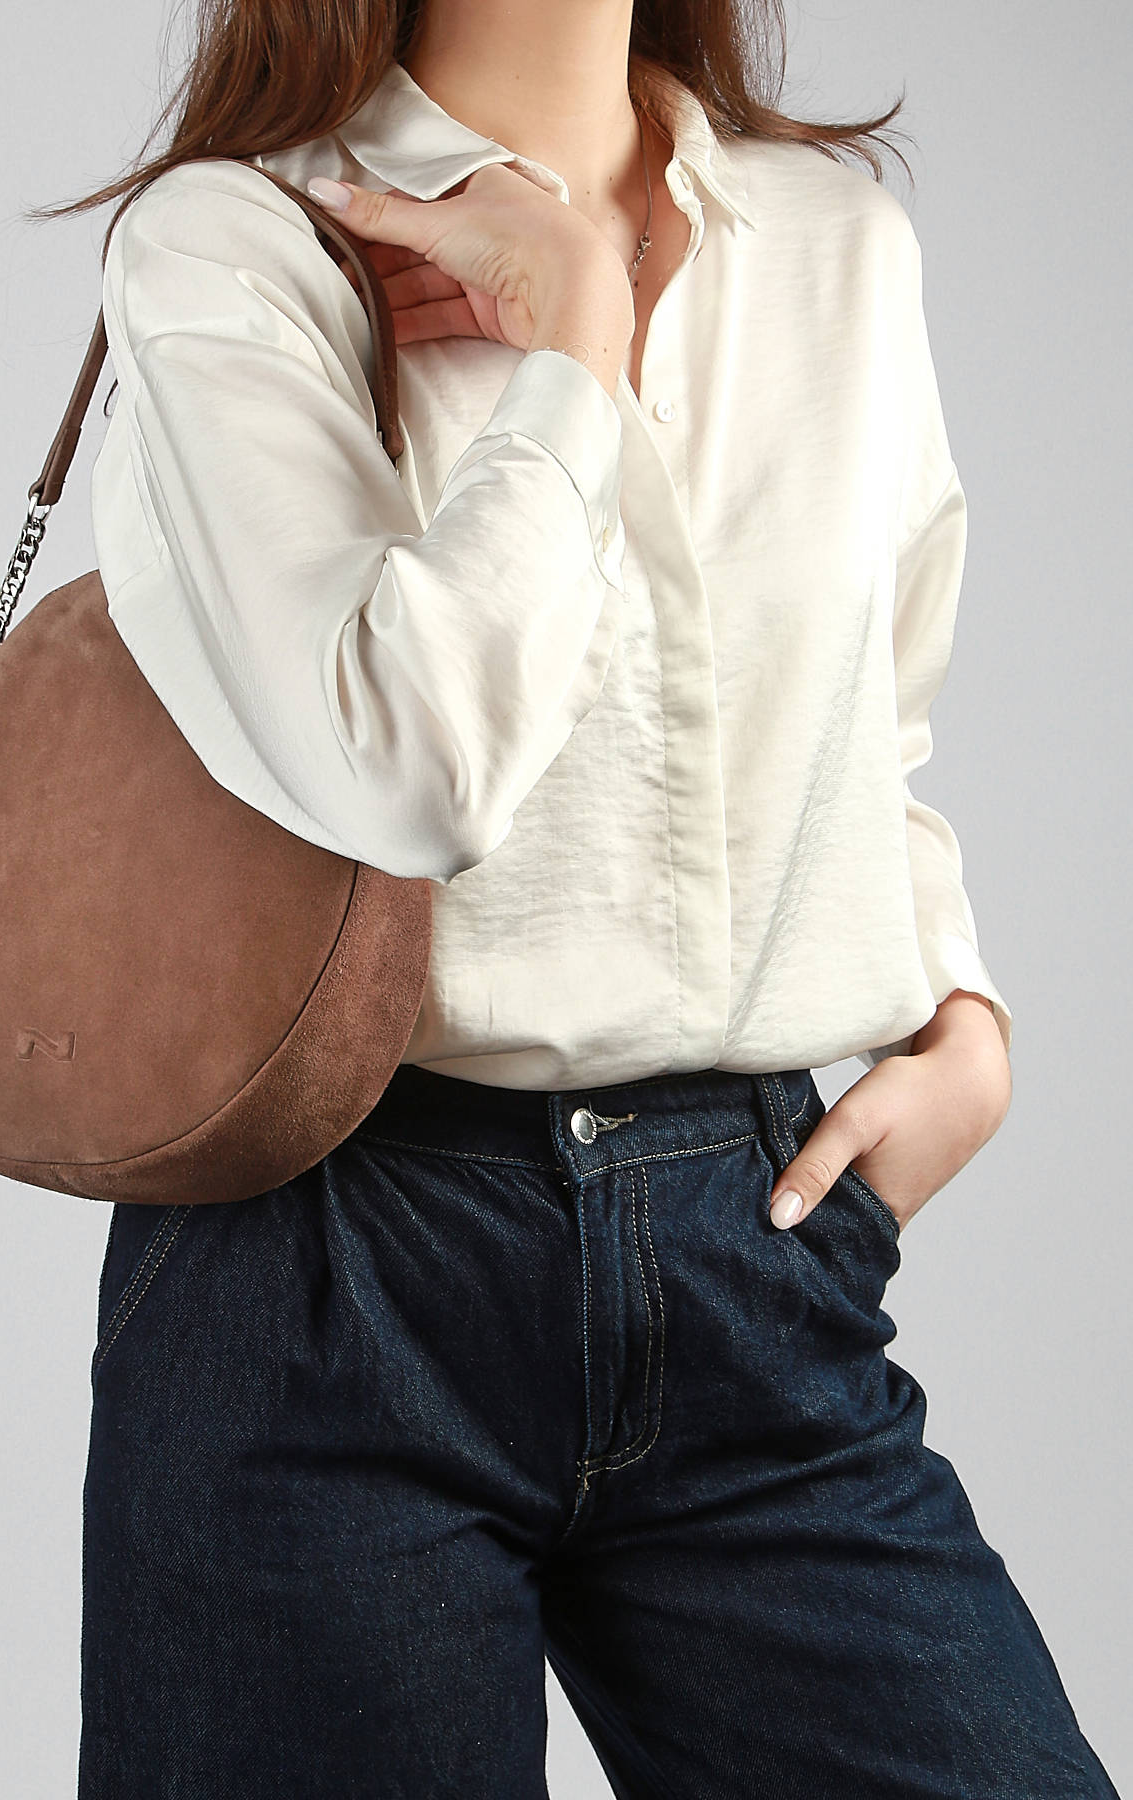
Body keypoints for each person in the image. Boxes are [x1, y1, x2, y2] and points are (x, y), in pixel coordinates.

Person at [59, 1, 1121, 1793]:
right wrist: (578, 342)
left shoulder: (830, 242)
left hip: (752, 1253)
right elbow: (408, 767)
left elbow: (874, 716)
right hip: (336, 1268)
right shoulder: (243, 239)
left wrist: (960, 1012)